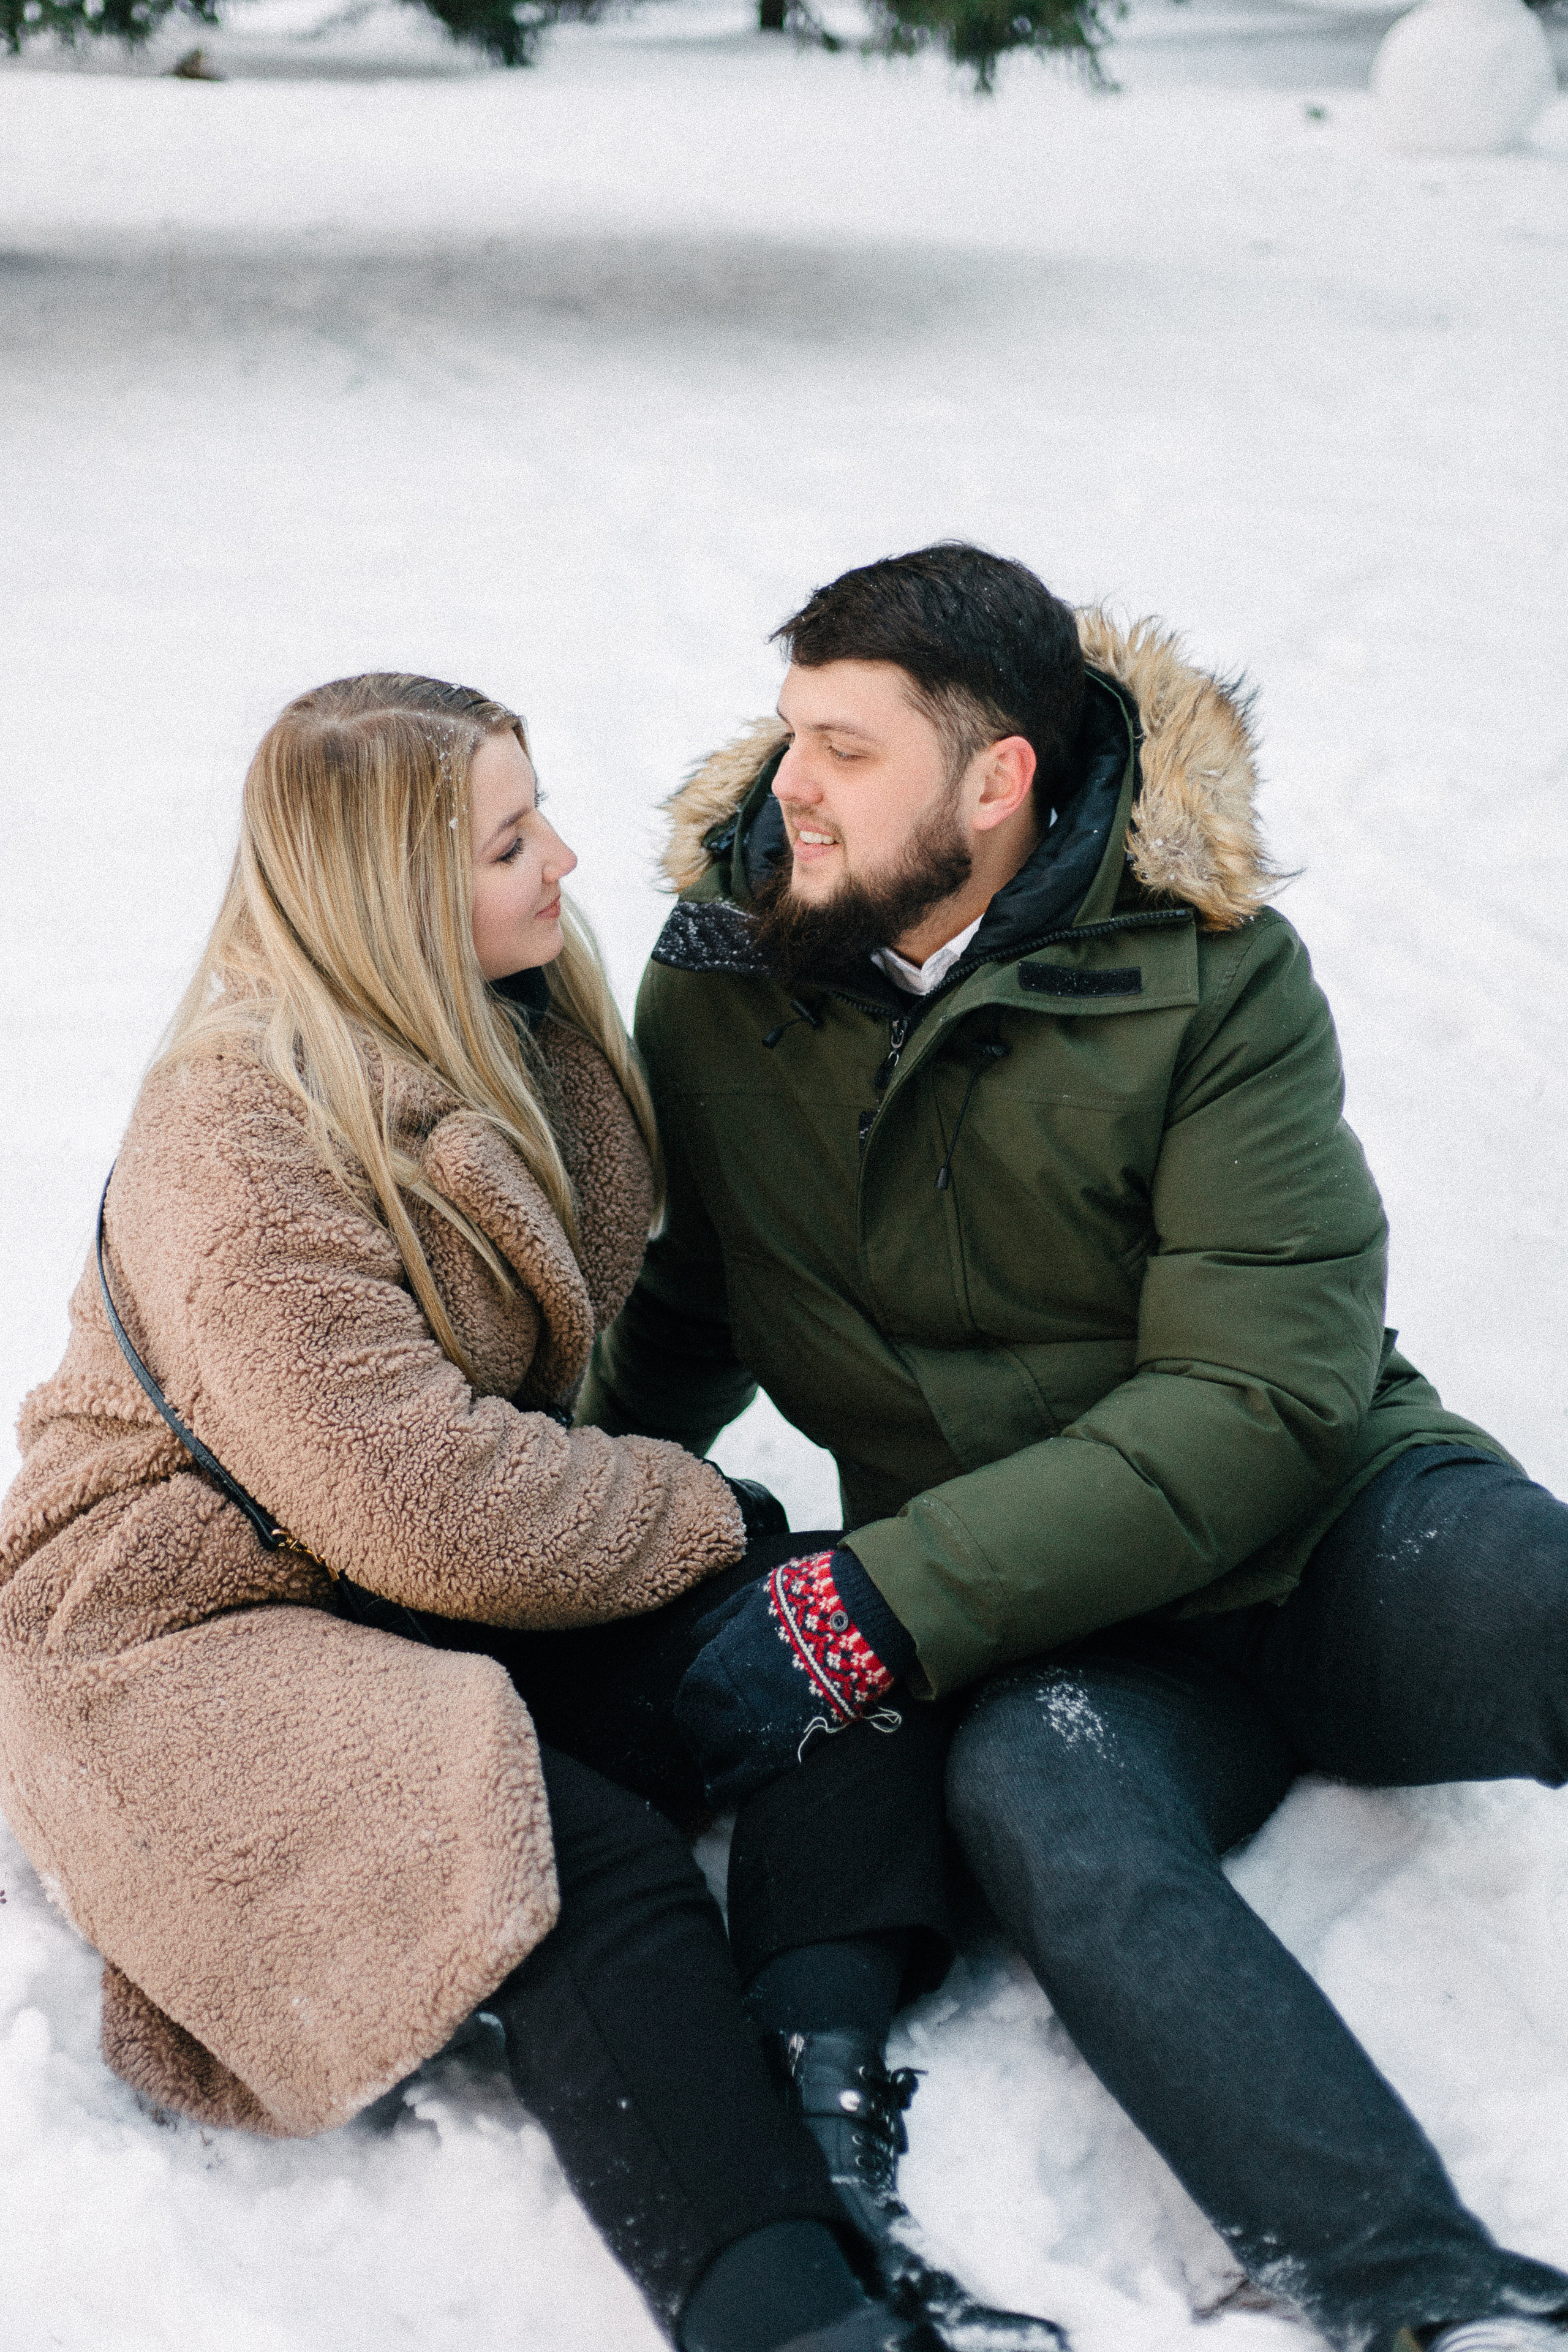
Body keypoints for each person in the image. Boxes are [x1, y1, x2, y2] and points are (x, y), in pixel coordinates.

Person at [576, 545, 1568, 2352]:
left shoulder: (1213, 979)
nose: (787, 783)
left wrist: (888, 1588)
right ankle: (1420, 2291)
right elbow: (696, 1309)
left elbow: (1259, 1401)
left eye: (846, 749)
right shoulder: (726, 986)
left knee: (1537, 1593)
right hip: (1068, 1637)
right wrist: (505, 1521)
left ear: (999, 778)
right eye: (792, 730)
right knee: (1049, 1805)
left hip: (1331, 1533)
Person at [0, 672, 1061, 2352]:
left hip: (386, 1576)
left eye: (538, 808)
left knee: (842, 1622)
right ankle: (782, 2310)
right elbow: (430, 1499)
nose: (563, 857)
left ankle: (815, 2067)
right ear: (390, 899)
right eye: (510, 841)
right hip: (177, 1626)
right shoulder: (237, 1138)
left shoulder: (502, 1033)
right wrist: (685, 1500)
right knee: (544, 1842)